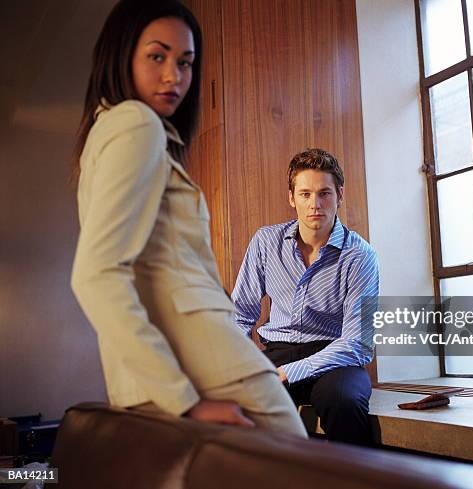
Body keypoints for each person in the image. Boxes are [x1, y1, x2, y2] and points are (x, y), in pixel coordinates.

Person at [70, 0, 306, 437]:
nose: (172, 77)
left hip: (169, 373)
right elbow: (95, 275)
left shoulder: (106, 131)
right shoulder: (136, 125)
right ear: (122, 54)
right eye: (157, 56)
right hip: (206, 365)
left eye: (185, 62)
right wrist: (186, 400)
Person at [232, 148, 379, 445]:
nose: (315, 204)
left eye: (324, 193)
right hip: (277, 352)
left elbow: (358, 344)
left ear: (339, 195)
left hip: (336, 358)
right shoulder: (265, 242)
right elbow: (239, 314)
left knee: (345, 401)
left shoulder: (360, 256)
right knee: (239, 401)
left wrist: (289, 372)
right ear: (292, 198)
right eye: (305, 194)